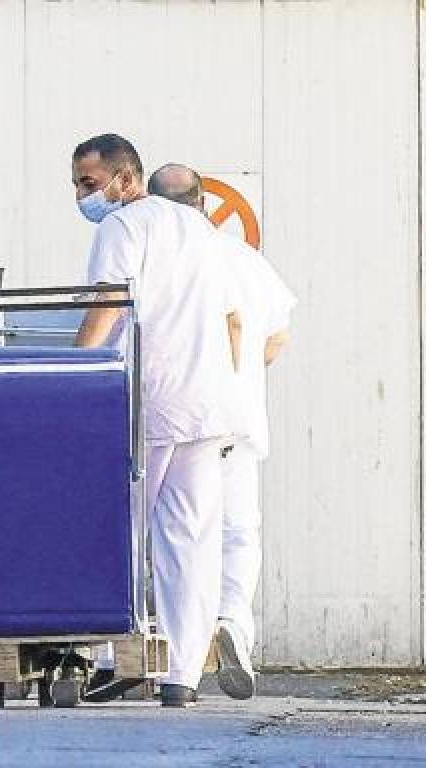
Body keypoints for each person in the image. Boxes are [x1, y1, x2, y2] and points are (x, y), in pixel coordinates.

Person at [70, 134, 242, 707]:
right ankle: (182, 677)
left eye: (88, 183)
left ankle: (114, 659)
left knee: (113, 528)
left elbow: (107, 305)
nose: (81, 195)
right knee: (190, 541)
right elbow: (229, 320)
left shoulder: (120, 227)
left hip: (152, 397)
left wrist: (72, 373)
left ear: (124, 178)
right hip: (207, 402)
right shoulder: (202, 229)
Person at [147, 163, 296, 700]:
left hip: (183, 417)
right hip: (239, 419)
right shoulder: (241, 257)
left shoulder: (163, 258)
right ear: (205, 206)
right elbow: (275, 338)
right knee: (237, 534)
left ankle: (168, 644)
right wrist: (244, 376)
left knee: (178, 537)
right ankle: (232, 623)